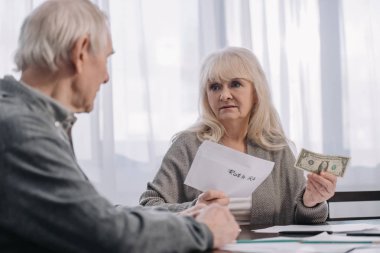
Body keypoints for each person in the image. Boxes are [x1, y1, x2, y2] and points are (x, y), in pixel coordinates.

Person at [0, 1, 239, 252]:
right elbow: (102, 233)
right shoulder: (21, 130)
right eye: (106, 58)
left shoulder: (29, 119)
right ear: (80, 52)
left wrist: (185, 213)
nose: (106, 77)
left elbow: (93, 214)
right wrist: (203, 230)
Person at [139, 47, 338, 226]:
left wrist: (311, 202)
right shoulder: (188, 145)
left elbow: (304, 218)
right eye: (215, 87)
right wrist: (193, 208)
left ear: (256, 92)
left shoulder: (277, 147)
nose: (224, 95)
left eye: (235, 84)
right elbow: (148, 206)